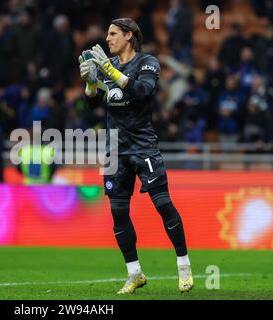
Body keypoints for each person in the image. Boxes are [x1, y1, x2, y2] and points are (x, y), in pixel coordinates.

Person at [79, 18, 193, 294]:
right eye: (108, 34)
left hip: (144, 147)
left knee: (163, 205)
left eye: (113, 33)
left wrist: (109, 70)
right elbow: (93, 105)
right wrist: (91, 85)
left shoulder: (147, 62)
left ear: (129, 36)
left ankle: (184, 267)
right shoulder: (108, 68)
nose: (108, 39)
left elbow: (143, 91)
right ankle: (135, 274)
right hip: (114, 151)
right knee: (119, 214)